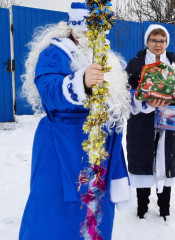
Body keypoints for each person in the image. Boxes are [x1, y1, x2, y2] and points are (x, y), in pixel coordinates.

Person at [19, 3, 132, 240]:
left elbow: (115, 98)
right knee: (57, 213)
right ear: (75, 25)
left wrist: (141, 100)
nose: (94, 35)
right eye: (90, 28)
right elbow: (48, 91)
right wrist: (80, 81)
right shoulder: (54, 53)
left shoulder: (103, 55)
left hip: (99, 147)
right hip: (62, 146)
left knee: (96, 211)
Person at [125, 24, 175, 220]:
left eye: (162, 41)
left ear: (166, 43)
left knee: (166, 162)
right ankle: (142, 208)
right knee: (144, 163)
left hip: (169, 124)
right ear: (147, 42)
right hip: (142, 125)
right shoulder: (135, 64)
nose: (158, 44)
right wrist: (142, 101)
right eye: (154, 40)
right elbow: (124, 91)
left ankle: (164, 209)